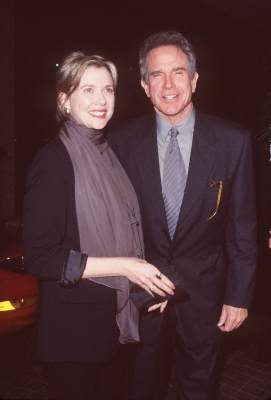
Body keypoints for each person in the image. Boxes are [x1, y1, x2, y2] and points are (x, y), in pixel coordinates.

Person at [109, 31, 257, 400]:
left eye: (178, 72)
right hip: (143, 297)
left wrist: (238, 295)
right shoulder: (121, 143)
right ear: (144, 85)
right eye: (157, 75)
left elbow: (243, 225)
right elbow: (115, 226)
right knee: (142, 387)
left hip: (204, 295)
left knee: (199, 387)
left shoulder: (232, 141)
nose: (169, 84)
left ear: (194, 79)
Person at [23, 51, 175, 400]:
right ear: (64, 99)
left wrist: (145, 284)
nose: (101, 100)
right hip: (74, 337)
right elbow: (41, 257)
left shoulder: (109, 154)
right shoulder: (53, 161)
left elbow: (126, 235)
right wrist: (126, 267)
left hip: (115, 324)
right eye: (88, 90)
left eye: (108, 89)